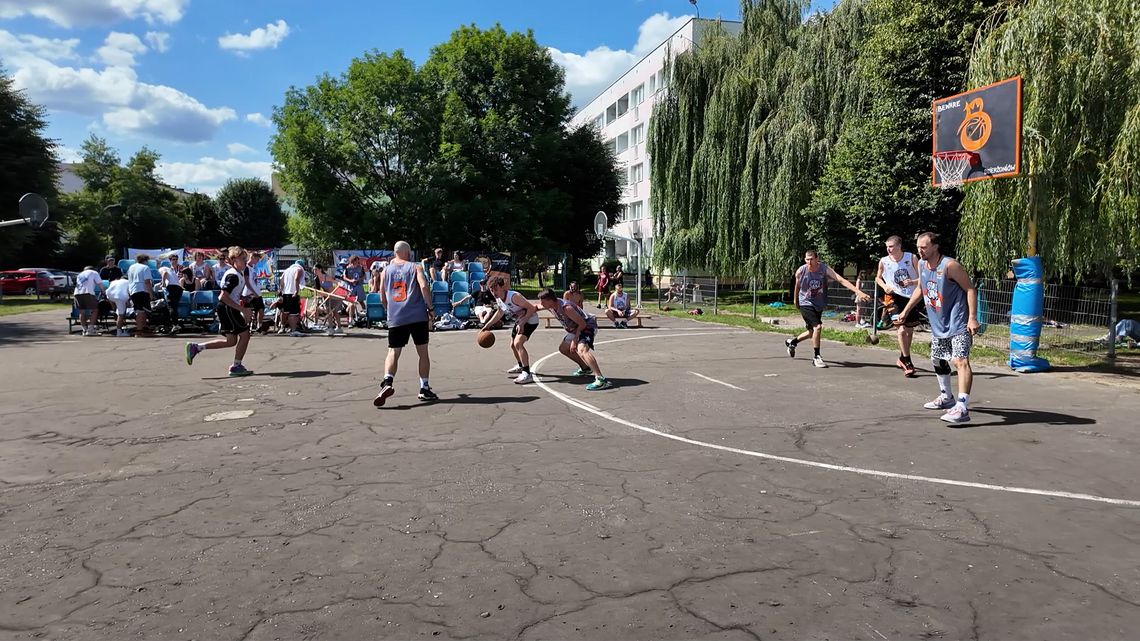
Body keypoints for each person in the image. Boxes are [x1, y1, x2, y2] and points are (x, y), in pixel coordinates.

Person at [896, 232, 980, 424]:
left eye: (923, 247)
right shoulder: (922, 266)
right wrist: (906, 311)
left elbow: (970, 289)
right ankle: (946, 397)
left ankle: (962, 406)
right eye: (918, 247)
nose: (920, 250)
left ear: (935, 246)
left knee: (960, 361)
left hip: (958, 322)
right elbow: (921, 288)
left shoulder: (950, 265)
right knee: (937, 359)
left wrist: (972, 318)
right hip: (938, 324)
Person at [375, 240, 437, 406]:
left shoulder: (385, 271)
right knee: (423, 352)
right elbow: (424, 287)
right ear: (407, 252)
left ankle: (387, 381)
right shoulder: (415, 267)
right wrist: (430, 308)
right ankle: (424, 387)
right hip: (417, 316)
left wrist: (390, 311)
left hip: (396, 317)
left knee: (393, 352)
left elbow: (382, 296)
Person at [784, 250, 870, 368]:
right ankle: (817, 357)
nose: (809, 262)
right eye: (807, 259)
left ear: (817, 258)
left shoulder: (824, 269)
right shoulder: (801, 271)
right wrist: (795, 301)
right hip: (805, 303)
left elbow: (841, 280)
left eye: (812, 259)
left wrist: (859, 292)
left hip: (818, 303)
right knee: (817, 327)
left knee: (812, 332)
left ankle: (792, 343)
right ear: (805, 260)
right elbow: (797, 286)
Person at [185, 247, 254, 377]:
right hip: (228, 308)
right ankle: (236, 366)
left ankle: (196, 347)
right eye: (243, 259)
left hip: (227, 308)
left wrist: (243, 298)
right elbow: (223, 296)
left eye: (246, 259)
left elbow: (230, 294)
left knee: (231, 341)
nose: (246, 261)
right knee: (245, 335)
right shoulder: (233, 275)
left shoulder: (237, 273)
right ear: (234, 260)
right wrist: (243, 310)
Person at [536, 288, 611, 391]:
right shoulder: (550, 306)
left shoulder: (566, 308)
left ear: (550, 300)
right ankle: (585, 368)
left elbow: (582, 324)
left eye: (543, 301)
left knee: (582, 350)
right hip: (575, 329)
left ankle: (600, 379)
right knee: (563, 349)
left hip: (587, 326)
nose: (541, 304)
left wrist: (575, 340)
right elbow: (535, 307)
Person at [479, 276, 540, 384]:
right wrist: (487, 325)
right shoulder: (498, 299)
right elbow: (500, 313)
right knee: (512, 345)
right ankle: (521, 366)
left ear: (502, 287)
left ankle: (527, 373)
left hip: (530, 320)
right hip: (520, 321)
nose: (494, 292)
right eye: (492, 290)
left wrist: (522, 322)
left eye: (496, 289)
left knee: (518, 343)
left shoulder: (514, 296)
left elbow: (531, 308)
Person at [876, 235, 922, 377]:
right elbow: (878, 278)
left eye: (891, 246)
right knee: (901, 329)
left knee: (908, 331)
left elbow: (923, 277)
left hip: (910, 297)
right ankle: (908, 361)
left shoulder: (912, 258)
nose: (888, 250)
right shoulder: (884, 261)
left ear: (899, 246)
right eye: (887, 247)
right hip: (893, 297)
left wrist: (912, 282)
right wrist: (885, 286)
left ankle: (902, 356)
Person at [73, 264, 106, 336]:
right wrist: (104, 291)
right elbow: (100, 283)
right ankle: (91, 330)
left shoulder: (80, 274)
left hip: (77, 293)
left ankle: (84, 330)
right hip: (88, 292)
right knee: (95, 310)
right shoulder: (94, 272)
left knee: (82, 312)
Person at [126, 254, 154, 335]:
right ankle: (139, 329)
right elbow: (147, 282)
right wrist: (150, 293)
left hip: (133, 290)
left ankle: (144, 326)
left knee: (143, 310)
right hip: (142, 290)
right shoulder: (145, 267)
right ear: (145, 260)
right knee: (141, 311)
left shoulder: (131, 267)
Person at [314, 263, 344, 336]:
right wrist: (321, 294)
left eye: (316, 270)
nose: (314, 271)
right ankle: (331, 328)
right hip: (327, 296)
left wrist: (340, 284)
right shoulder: (316, 279)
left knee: (335, 312)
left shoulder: (326, 277)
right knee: (328, 311)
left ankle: (339, 327)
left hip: (334, 296)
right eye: (314, 270)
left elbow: (336, 282)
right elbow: (318, 290)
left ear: (320, 269)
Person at [279, 259, 307, 337]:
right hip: (292, 293)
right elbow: (296, 278)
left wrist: (282, 290)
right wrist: (296, 291)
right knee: (293, 313)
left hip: (285, 292)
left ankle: (282, 326)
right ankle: (293, 330)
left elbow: (281, 280)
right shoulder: (299, 269)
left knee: (285, 311)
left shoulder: (287, 270)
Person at [243, 251, 266, 333]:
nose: (257, 261)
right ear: (252, 257)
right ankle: (246, 327)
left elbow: (254, 280)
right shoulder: (246, 268)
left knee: (261, 309)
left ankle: (259, 326)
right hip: (248, 293)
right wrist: (253, 292)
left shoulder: (253, 268)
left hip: (257, 292)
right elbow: (246, 282)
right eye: (256, 259)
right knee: (248, 310)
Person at [159, 253, 184, 324]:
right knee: (173, 306)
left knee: (171, 306)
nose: (175, 261)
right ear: (170, 260)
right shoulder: (168, 268)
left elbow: (165, 274)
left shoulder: (180, 267)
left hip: (174, 287)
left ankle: (174, 323)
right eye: (173, 259)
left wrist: (163, 282)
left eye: (176, 259)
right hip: (177, 288)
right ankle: (174, 323)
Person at [342, 255, 366, 325]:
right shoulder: (347, 268)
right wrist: (351, 280)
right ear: (353, 261)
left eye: (358, 261)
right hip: (351, 287)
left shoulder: (360, 267)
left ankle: (365, 314)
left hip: (359, 286)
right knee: (351, 301)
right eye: (356, 261)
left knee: (361, 301)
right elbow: (344, 277)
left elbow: (364, 276)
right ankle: (350, 317)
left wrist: (360, 279)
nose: (358, 262)